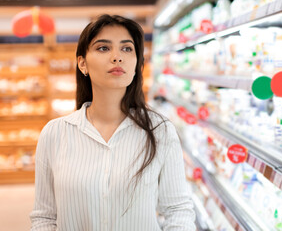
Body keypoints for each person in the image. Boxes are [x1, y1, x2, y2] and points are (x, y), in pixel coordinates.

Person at [30, 14, 195, 231]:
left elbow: (178, 210)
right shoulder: (55, 133)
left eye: (127, 49)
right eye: (103, 48)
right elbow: (44, 218)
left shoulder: (159, 131)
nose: (117, 57)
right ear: (82, 63)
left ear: (137, 64)